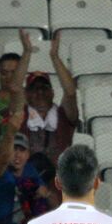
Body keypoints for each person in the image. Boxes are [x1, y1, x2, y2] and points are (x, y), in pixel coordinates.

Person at [19, 37, 79, 165]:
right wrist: (27, 53)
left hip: (59, 178)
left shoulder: (63, 114)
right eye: (35, 89)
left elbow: (70, 91)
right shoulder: (21, 115)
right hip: (27, 178)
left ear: (52, 93)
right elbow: (15, 88)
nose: (40, 93)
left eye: (44, 88)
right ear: (26, 94)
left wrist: (55, 57)